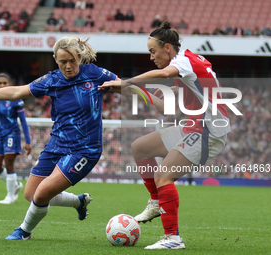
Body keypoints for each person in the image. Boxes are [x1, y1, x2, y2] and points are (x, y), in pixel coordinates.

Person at [0, 36, 119, 240]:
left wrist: (151, 89)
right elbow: (18, 90)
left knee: (43, 192)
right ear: (55, 59)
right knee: (31, 194)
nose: (68, 66)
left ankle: (24, 232)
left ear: (79, 57)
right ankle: (78, 202)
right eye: (63, 62)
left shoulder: (95, 74)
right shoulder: (52, 79)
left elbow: (123, 84)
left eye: (72, 60)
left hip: (85, 150)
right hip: (57, 144)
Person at [98, 21, 230, 250]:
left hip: (208, 130)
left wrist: (127, 82)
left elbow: (162, 73)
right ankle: (156, 201)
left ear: (167, 48)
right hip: (195, 126)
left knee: (163, 175)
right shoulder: (188, 68)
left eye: (153, 51)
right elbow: (165, 109)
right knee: (140, 147)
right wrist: (133, 90)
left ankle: (173, 238)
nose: (151, 57)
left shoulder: (183, 63)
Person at [0, 73, 32, 204]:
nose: (2, 85)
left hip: (12, 134)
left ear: (9, 84)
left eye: (5, 83)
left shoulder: (16, 99)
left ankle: (10, 196)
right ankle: (14, 185)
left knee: (9, 164)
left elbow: (23, 121)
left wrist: (28, 140)